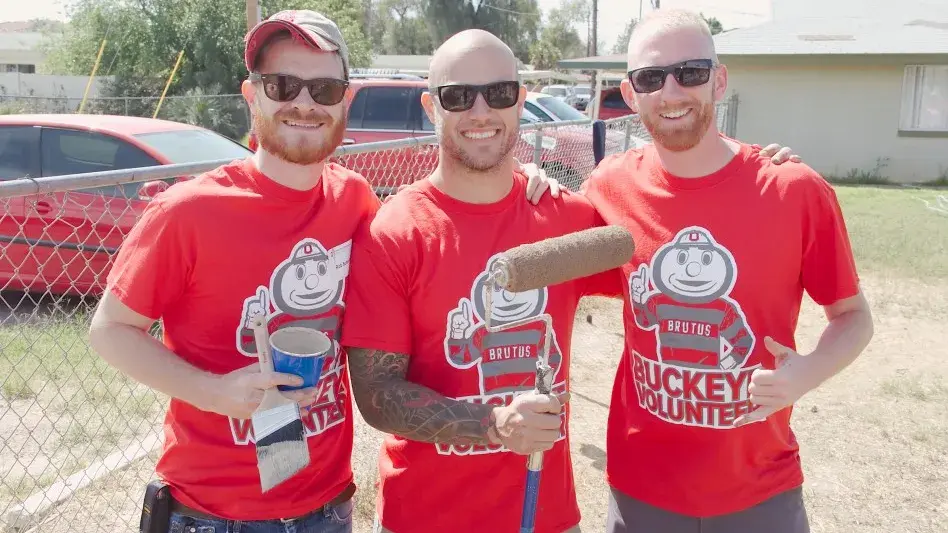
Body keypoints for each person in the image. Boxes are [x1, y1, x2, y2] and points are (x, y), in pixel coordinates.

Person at [87, 11, 558, 532]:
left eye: (324, 88)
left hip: (328, 509)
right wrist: (213, 392)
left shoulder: (353, 200)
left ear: (346, 101)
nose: (304, 103)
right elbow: (110, 330)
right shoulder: (190, 211)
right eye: (283, 84)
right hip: (215, 516)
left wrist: (516, 177)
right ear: (251, 95)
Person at [577, 9, 874, 533]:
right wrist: (527, 180)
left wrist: (805, 374)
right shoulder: (607, 187)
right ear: (630, 91)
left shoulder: (793, 190)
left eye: (690, 72)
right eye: (651, 77)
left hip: (760, 487)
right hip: (644, 487)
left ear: (719, 80)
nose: (671, 92)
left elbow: (852, 316)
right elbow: (546, 250)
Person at [338, 29, 628, 533]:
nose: (480, 112)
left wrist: (762, 165)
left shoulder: (564, 217)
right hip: (425, 518)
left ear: (519, 101)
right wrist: (496, 426)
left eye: (498, 93)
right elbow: (378, 395)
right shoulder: (395, 231)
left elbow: (658, 247)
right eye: (457, 96)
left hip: (544, 517)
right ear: (432, 107)